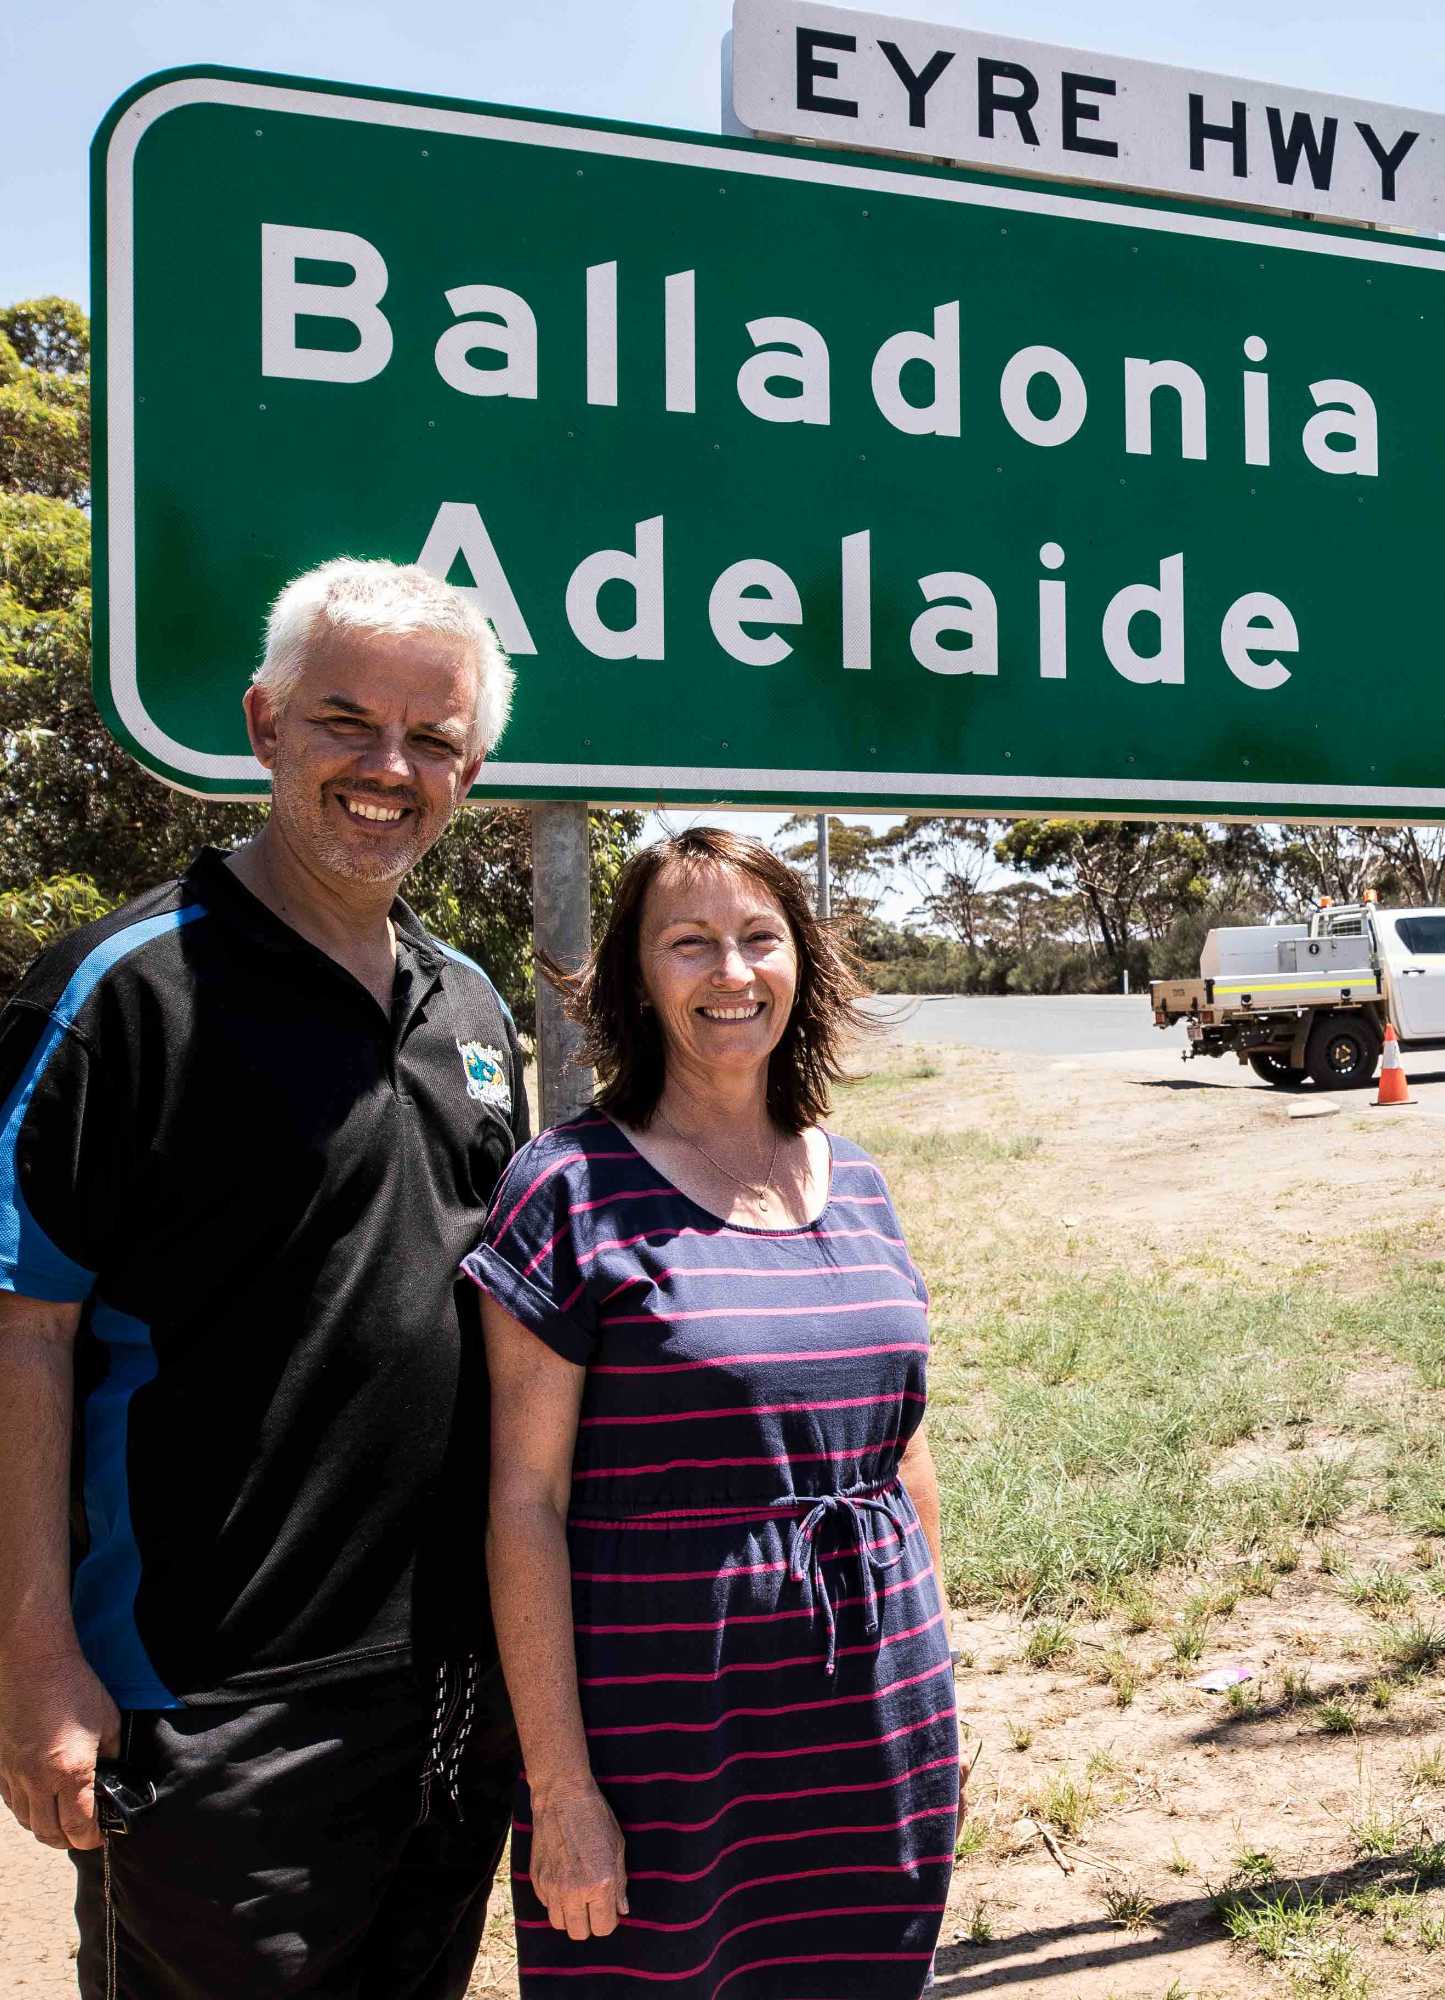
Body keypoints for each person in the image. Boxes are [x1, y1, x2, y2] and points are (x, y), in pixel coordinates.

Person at [0, 559, 526, 1996]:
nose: (390, 768)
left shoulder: (472, 1006)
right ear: (265, 727)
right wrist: (34, 1672)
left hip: (455, 1688)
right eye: (347, 721)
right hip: (214, 1703)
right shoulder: (124, 991)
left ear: (472, 765)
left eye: (434, 739)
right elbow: (11, 1335)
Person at [465, 826, 955, 1997]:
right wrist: (563, 1790)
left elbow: (902, 1459)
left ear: (803, 962)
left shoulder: (863, 1180)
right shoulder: (565, 1187)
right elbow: (523, 1504)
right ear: (637, 978)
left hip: (868, 1733)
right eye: (690, 944)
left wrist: (934, 1701)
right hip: (667, 1748)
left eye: (758, 938)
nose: (731, 972)